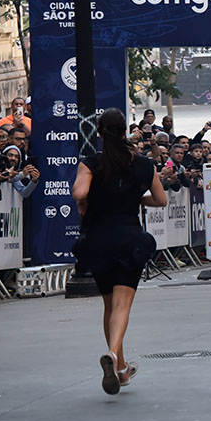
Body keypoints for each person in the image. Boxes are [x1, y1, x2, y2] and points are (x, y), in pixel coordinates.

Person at [71, 109, 166, 395]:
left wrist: (85, 199)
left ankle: (121, 368)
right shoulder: (144, 165)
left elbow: (78, 193)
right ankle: (113, 355)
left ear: (99, 132)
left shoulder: (90, 163)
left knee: (109, 304)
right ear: (125, 131)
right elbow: (160, 200)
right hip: (128, 238)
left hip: (98, 239)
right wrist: (136, 197)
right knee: (122, 306)